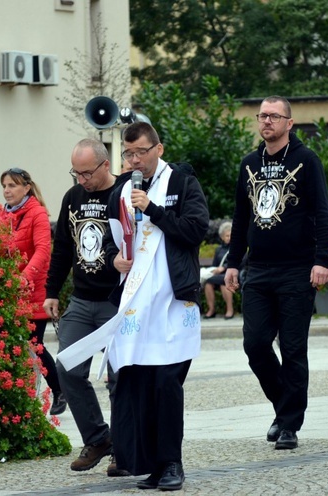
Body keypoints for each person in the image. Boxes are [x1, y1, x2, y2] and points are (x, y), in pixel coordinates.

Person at [98, 122, 209, 491]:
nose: (134, 161)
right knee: (139, 382)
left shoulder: (182, 183)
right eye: (128, 154)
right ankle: (149, 464)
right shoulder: (121, 190)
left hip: (172, 301)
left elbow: (196, 230)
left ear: (158, 149)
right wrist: (114, 259)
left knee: (166, 383)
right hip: (136, 304)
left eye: (140, 153)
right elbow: (111, 242)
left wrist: (155, 210)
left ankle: (172, 463)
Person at [224, 96, 328, 451]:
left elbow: (322, 212)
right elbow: (241, 220)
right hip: (258, 269)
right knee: (255, 345)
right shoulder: (249, 164)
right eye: (262, 115)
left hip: (297, 270)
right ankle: (283, 407)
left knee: (292, 348)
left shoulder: (306, 160)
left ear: (290, 122)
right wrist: (231, 262)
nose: (267, 121)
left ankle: (289, 425)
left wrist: (323, 259)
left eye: (274, 116)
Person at [42, 139, 121, 473]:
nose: (82, 180)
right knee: (67, 369)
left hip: (117, 304)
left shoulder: (123, 195)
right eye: (76, 172)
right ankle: (98, 437)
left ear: (105, 165)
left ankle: (125, 446)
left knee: (121, 378)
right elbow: (62, 248)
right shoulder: (72, 197)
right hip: (82, 300)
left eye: (87, 173)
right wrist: (51, 292)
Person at [0, 168, 66, 416]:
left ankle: (59, 390)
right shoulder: (3, 215)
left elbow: (42, 250)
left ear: (26, 188)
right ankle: (19, 396)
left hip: (33, 291)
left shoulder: (36, 213)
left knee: (35, 345)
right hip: (10, 291)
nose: (7, 190)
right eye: (4, 185)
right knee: (9, 346)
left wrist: (24, 277)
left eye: (12, 185)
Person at [203, 221, 235, 320]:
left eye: (231, 235)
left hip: (233, 276)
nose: (229, 238)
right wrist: (216, 270)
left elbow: (241, 262)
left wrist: (225, 267)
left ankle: (230, 310)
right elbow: (214, 265)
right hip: (220, 276)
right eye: (227, 236)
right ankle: (211, 310)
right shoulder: (219, 250)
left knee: (224, 282)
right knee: (208, 283)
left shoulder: (236, 248)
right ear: (222, 237)